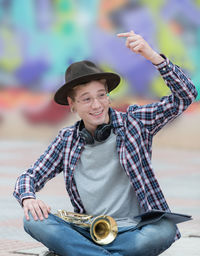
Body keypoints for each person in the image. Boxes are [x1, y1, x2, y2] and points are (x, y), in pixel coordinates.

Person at [13, 30, 197, 256]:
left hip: (135, 230)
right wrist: (28, 197)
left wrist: (153, 57)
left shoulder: (135, 122)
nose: (97, 105)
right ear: (72, 105)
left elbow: (186, 96)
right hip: (89, 231)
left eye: (101, 95)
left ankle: (82, 253)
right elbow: (29, 176)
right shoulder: (66, 139)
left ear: (109, 96)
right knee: (33, 221)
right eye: (86, 99)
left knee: (165, 229)